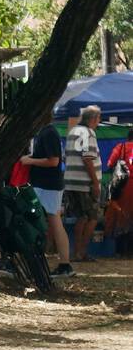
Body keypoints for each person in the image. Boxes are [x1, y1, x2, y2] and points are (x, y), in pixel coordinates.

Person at [20, 119, 71, 274]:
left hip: (47, 185)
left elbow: (53, 161)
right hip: (45, 185)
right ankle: (62, 263)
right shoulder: (44, 132)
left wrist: (30, 160)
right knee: (51, 221)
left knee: (54, 221)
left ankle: (64, 264)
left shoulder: (48, 133)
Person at [63, 105, 102, 265]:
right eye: (98, 118)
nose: (99, 122)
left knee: (81, 217)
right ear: (92, 119)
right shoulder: (88, 133)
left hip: (71, 181)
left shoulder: (72, 132)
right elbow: (87, 158)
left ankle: (76, 252)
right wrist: (95, 182)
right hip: (84, 183)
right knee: (92, 217)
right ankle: (82, 252)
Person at [102, 125, 133, 256]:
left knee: (120, 216)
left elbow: (109, 164)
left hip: (123, 186)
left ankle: (120, 250)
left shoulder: (120, 147)